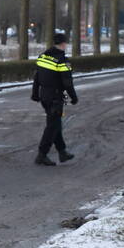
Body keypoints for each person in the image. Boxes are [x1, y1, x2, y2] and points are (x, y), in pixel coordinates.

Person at [31, 32, 77, 166]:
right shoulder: (62, 60)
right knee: (52, 126)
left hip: (44, 96)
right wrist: (73, 97)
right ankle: (42, 154)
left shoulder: (43, 56)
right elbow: (68, 82)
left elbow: (37, 77)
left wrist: (35, 94)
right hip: (56, 97)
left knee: (55, 123)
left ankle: (62, 152)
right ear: (63, 44)